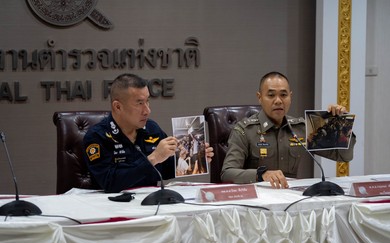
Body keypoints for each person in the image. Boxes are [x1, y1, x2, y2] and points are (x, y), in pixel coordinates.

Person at [221, 71, 356, 189]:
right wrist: (261, 174)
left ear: (290, 97)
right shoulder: (245, 130)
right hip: (256, 201)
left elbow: (344, 156)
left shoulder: (300, 129)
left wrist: (342, 125)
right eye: (271, 95)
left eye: (284, 95)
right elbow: (227, 173)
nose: (278, 101)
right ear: (259, 97)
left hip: (290, 199)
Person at [83, 73, 214, 193]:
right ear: (118, 107)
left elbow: (165, 168)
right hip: (110, 205)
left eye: (147, 101)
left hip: (150, 201)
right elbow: (110, 182)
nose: (147, 110)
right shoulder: (97, 136)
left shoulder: (152, 129)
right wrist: (153, 159)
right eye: (139, 103)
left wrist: (195, 157)